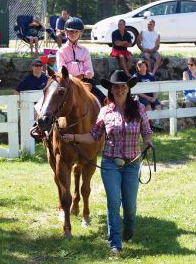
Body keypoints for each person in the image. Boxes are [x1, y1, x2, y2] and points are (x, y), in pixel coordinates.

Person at [61, 70, 153, 255]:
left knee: (130, 205)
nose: (119, 90)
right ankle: (114, 243)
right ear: (110, 90)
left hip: (132, 163)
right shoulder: (105, 111)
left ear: (128, 88)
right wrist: (72, 136)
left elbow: (146, 129)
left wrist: (148, 141)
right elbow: (93, 136)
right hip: (110, 163)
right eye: (116, 87)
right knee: (113, 203)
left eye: (123, 87)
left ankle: (128, 227)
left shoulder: (138, 108)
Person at [56, 17, 105, 105]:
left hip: (85, 81)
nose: (73, 34)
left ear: (80, 33)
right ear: (66, 32)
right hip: (68, 83)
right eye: (71, 31)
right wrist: (73, 78)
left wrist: (84, 75)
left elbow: (89, 70)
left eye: (76, 31)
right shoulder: (61, 51)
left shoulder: (85, 50)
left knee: (104, 99)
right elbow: (61, 69)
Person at [133, 60, 162, 129]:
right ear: (138, 68)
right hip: (141, 97)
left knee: (157, 105)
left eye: (144, 67)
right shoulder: (135, 77)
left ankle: (157, 124)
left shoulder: (151, 76)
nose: (142, 68)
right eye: (140, 67)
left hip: (152, 96)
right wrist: (148, 98)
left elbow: (156, 88)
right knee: (148, 106)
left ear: (146, 67)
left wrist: (154, 97)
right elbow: (137, 91)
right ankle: (149, 125)